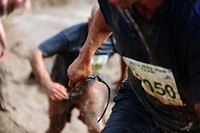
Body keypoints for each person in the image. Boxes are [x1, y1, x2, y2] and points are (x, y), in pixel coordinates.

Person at [67, 0, 200, 132]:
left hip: (192, 119)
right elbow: (107, 13)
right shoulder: (116, 3)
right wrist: (84, 57)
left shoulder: (192, 21)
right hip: (141, 102)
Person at [29, 4, 127, 133]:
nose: (103, 32)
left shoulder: (114, 37)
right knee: (56, 127)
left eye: (107, 28)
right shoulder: (72, 36)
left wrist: (122, 77)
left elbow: (125, 53)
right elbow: (35, 53)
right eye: (99, 27)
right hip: (62, 88)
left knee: (97, 128)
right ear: (89, 22)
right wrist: (48, 84)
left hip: (89, 87)